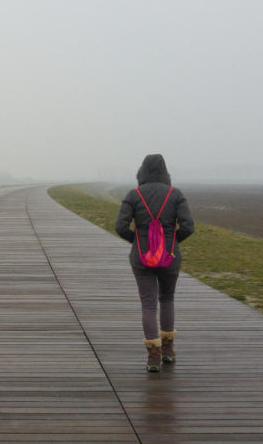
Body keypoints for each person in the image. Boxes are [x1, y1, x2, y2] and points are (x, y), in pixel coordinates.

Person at [115, 154, 195, 372]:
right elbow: (189, 226)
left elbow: (120, 227)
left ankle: (153, 356)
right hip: (170, 258)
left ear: (142, 172)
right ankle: (168, 350)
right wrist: (173, 242)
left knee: (148, 304)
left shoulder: (134, 195)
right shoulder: (175, 194)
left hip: (141, 259)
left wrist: (137, 242)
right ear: (165, 172)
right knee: (167, 299)